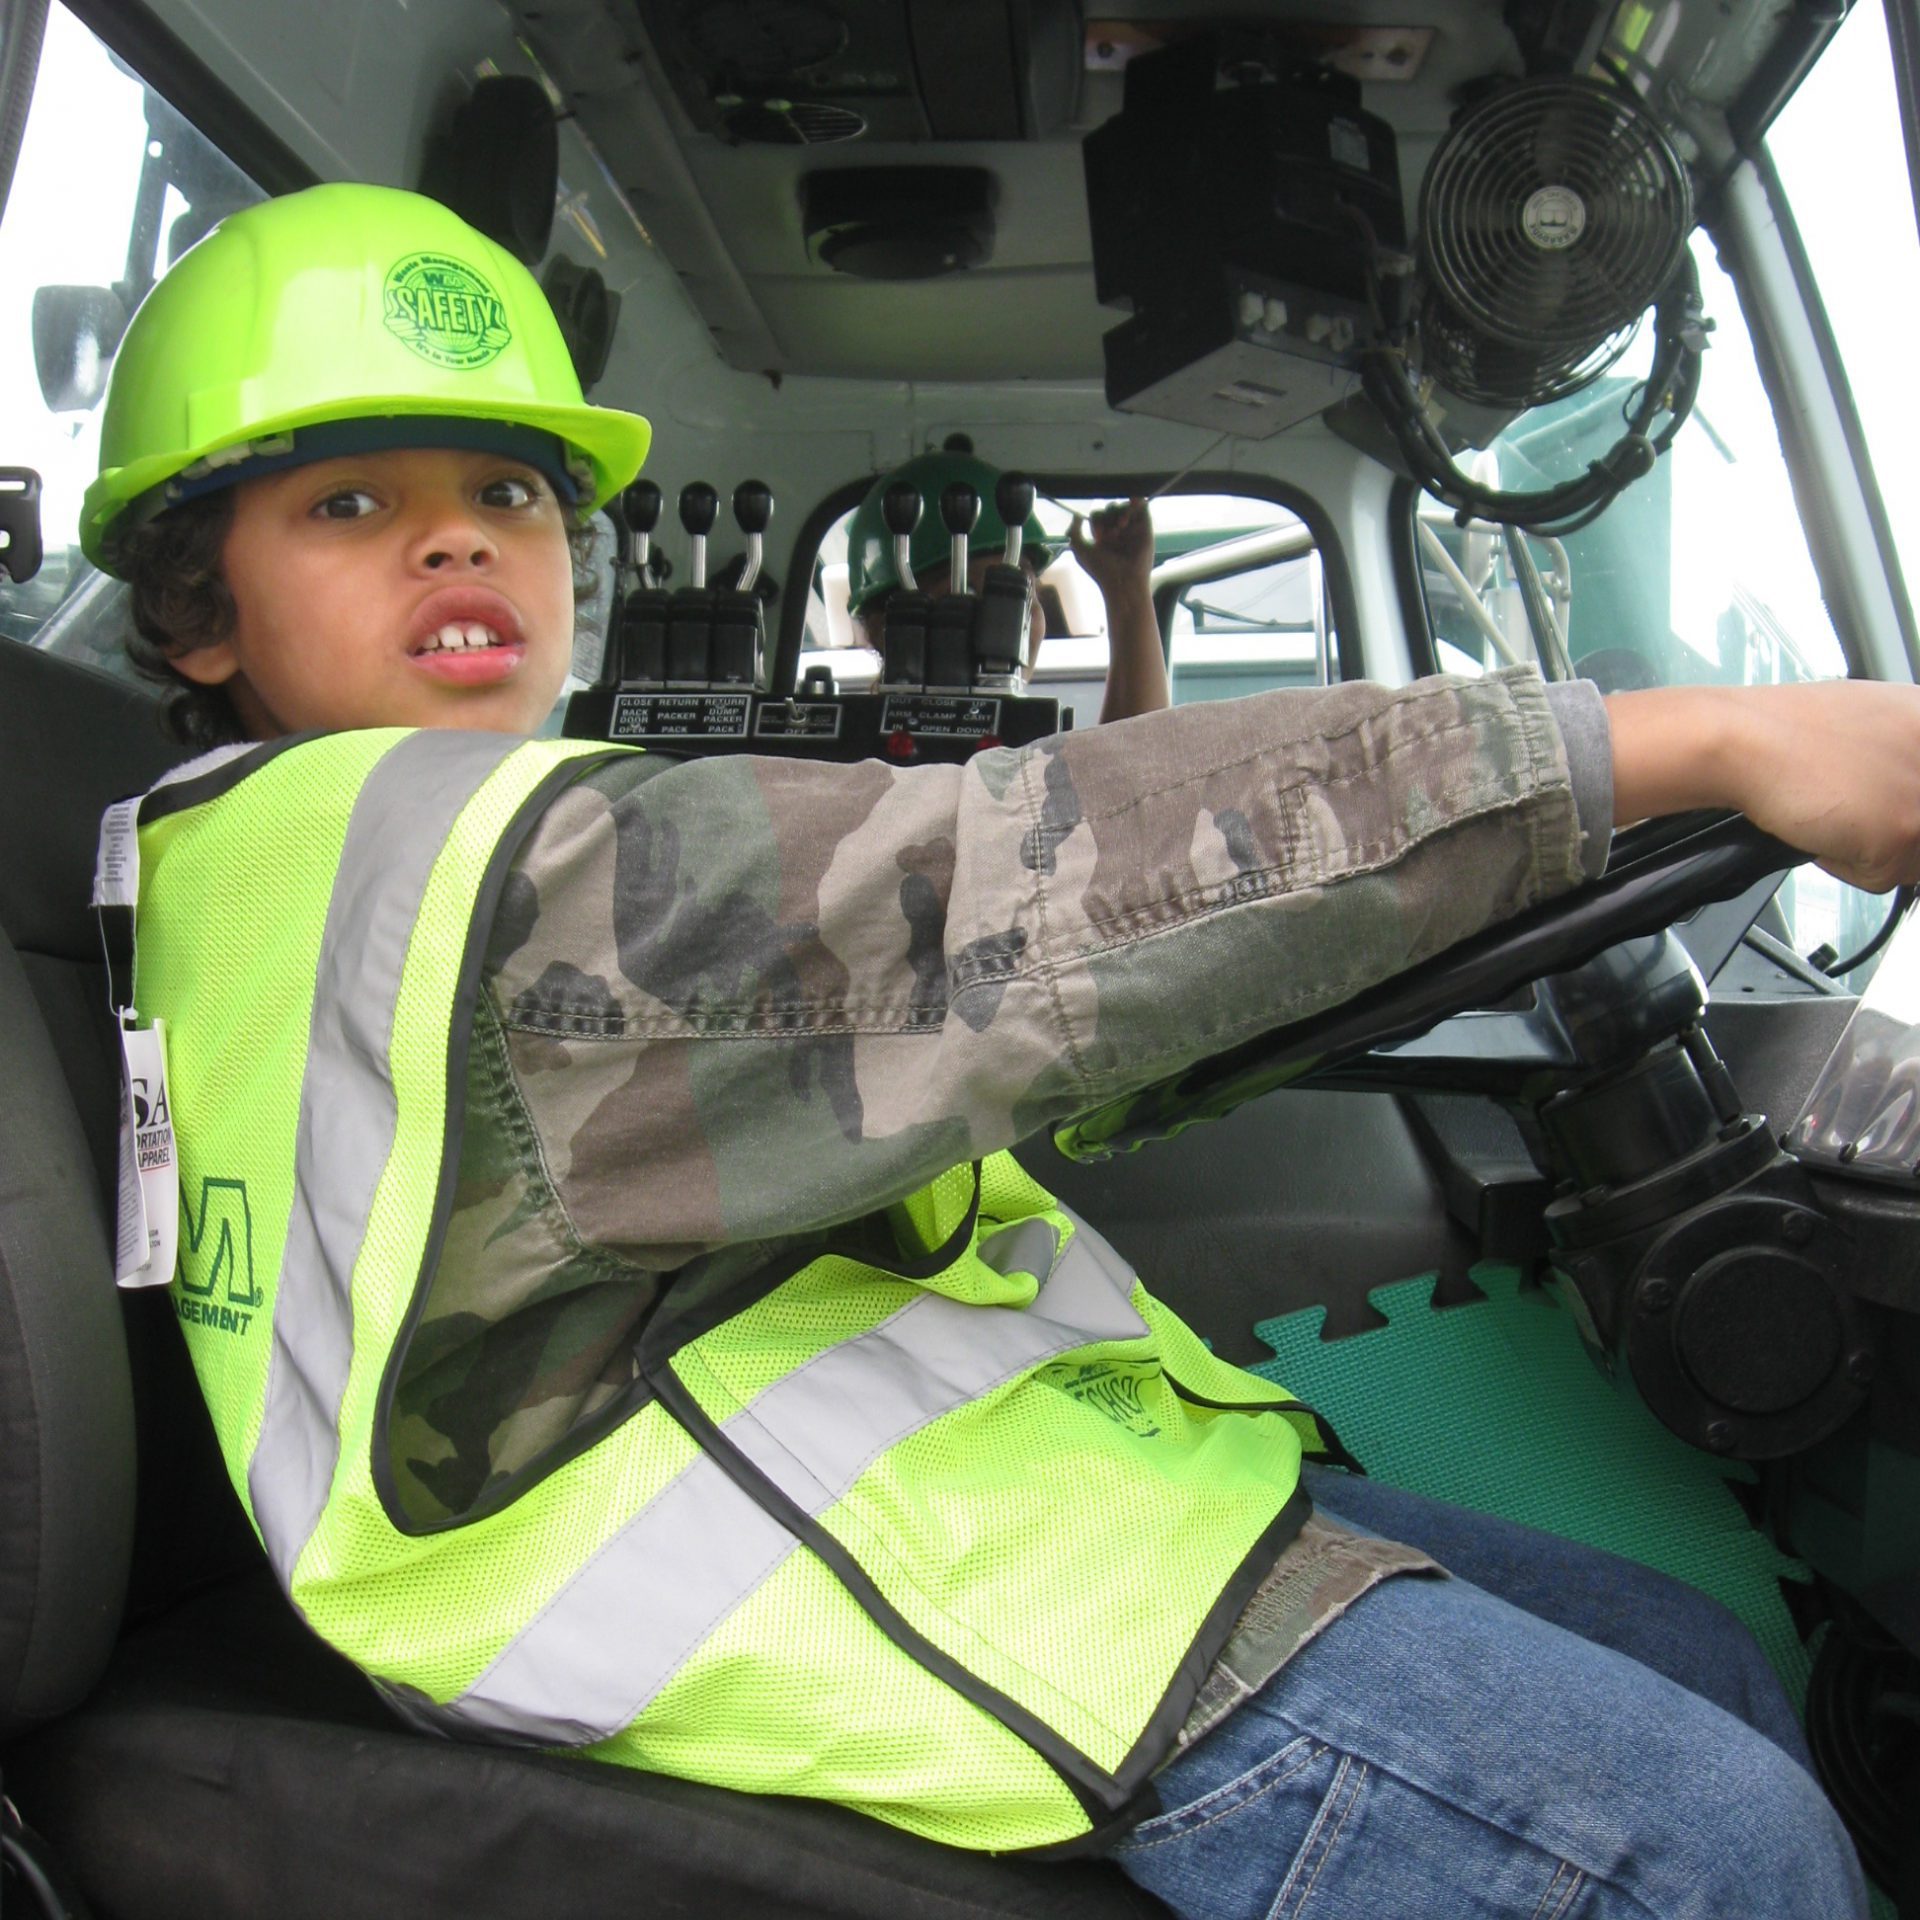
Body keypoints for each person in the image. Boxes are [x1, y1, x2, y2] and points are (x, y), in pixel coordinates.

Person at [89, 182, 1895, 1917]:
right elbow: (1007, 891)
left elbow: (983, 1002)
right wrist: (1706, 740)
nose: (458, 535)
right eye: (346, 506)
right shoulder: (455, 858)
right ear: (195, 607)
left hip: (963, 1492)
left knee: (1693, 1648)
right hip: (789, 1601)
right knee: (1712, 1851)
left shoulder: (278, 849)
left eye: (506, 487)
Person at [843, 447, 1170, 722]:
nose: (1005, 620)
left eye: (1022, 592)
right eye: (967, 594)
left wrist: (1126, 591)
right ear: (884, 628)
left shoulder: (1029, 756)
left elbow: (1135, 779)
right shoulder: (851, 769)